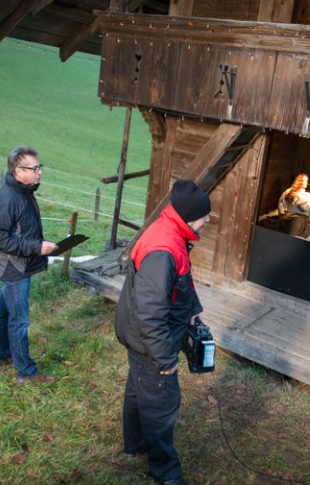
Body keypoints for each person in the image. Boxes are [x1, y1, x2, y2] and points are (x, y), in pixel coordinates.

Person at [115, 179, 211, 485]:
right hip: (150, 341)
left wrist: (193, 307)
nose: (208, 220)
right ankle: (166, 472)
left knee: (138, 389)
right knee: (161, 405)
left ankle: (135, 445)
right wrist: (164, 359)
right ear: (189, 215)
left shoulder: (171, 232)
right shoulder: (163, 247)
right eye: (204, 215)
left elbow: (182, 281)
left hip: (138, 337)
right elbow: (150, 312)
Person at [0, 146, 58, 384]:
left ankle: (3, 354)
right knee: (18, 319)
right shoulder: (7, 198)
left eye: (40, 167)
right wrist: (36, 247)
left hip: (20, 265)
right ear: (18, 171)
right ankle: (26, 372)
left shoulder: (25, 192)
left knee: (5, 310)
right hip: (13, 268)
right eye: (35, 168)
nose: (40, 172)